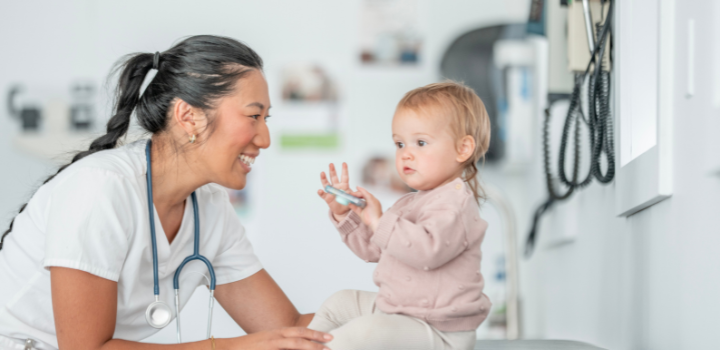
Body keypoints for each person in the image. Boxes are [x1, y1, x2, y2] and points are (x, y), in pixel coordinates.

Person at [0, 35, 332, 350]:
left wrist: (376, 311)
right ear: (189, 116)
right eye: (254, 116)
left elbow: (287, 327)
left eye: (266, 119)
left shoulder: (210, 207)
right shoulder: (100, 188)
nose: (264, 139)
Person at [313, 81, 492, 350]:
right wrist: (345, 214)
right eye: (399, 143)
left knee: (365, 333)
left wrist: (378, 220)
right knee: (338, 304)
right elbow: (373, 250)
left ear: (462, 149)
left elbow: (427, 251)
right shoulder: (410, 202)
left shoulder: (455, 203)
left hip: (440, 331)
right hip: (402, 313)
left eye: (420, 142)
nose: (406, 153)